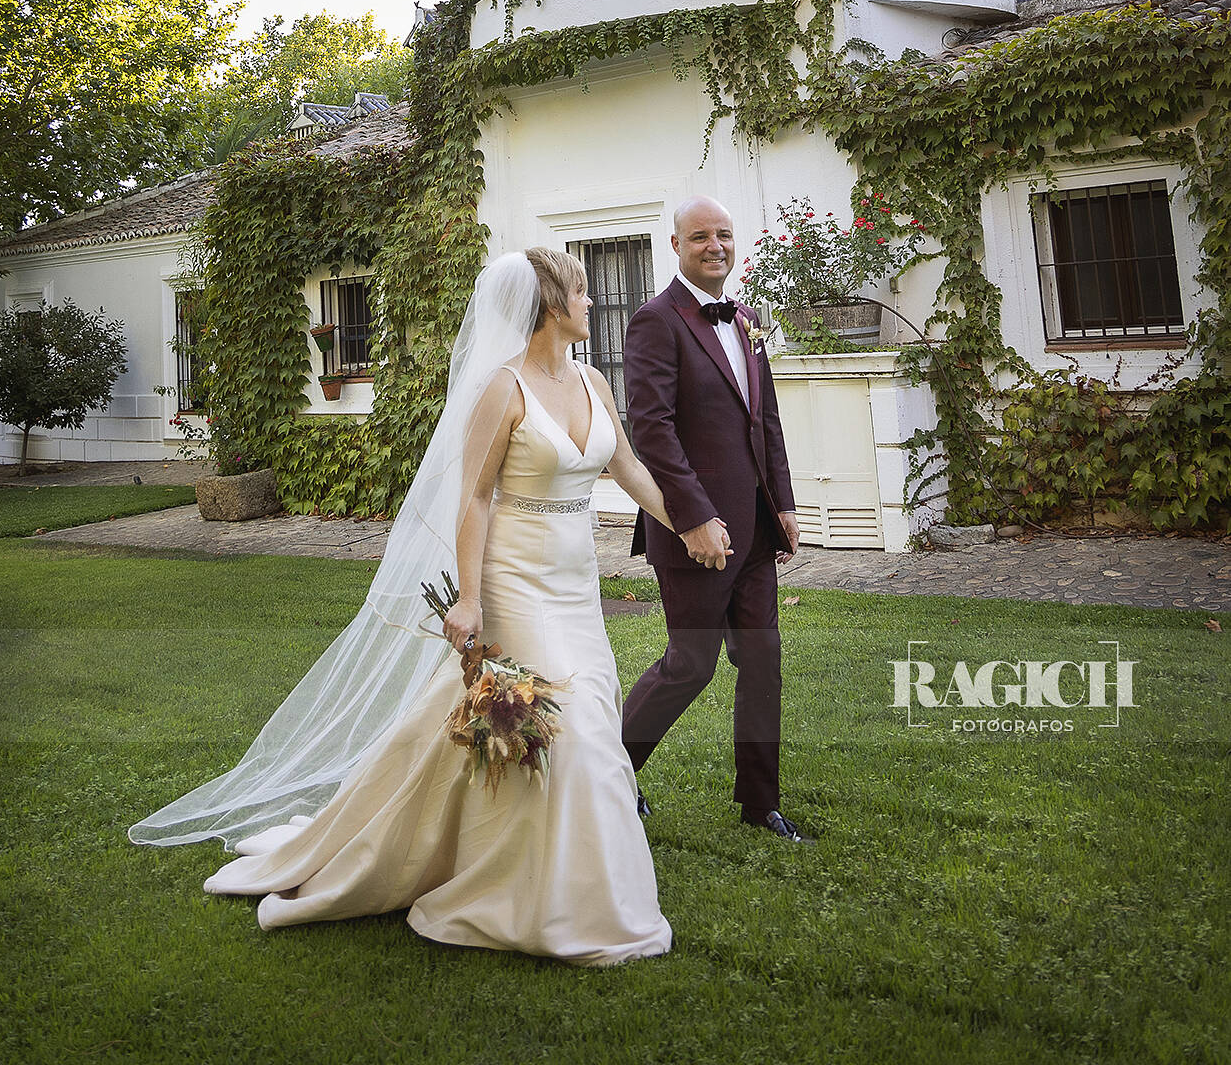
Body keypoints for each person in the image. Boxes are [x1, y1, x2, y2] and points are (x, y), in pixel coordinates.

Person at [130, 248, 696, 964]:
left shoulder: (590, 381)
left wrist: (690, 523)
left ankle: (539, 875)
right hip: (514, 582)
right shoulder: (502, 388)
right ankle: (546, 901)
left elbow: (627, 467)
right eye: (582, 293)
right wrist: (468, 597)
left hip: (576, 584)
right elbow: (475, 498)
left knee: (558, 729)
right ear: (552, 306)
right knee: (567, 728)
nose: (590, 304)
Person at [621, 195, 816, 844]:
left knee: (762, 660)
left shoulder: (749, 319)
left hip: (755, 531)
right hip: (694, 535)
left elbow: (768, 422)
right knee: (690, 664)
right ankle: (613, 773)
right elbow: (650, 427)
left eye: (724, 235)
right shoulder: (654, 321)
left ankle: (760, 802)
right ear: (675, 245)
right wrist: (693, 517)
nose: (714, 246)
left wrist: (782, 504)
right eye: (700, 235)